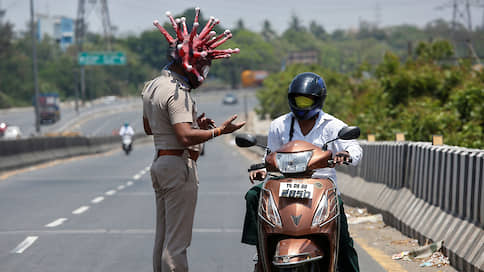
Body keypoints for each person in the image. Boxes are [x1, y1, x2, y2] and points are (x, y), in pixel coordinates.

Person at [142, 8, 245, 272]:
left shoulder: (152, 86)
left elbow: (149, 127)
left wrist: (191, 126)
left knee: (162, 238)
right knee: (177, 244)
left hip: (159, 163)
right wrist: (219, 131)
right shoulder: (178, 92)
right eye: (201, 64)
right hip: (177, 167)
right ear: (189, 63)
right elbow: (185, 136)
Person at [242, 72, 362, 272]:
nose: (301, 105)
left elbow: (355, 149)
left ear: (318, 100)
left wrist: (345, 154)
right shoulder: (279, 125)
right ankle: (262, 250)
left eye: (306, 101)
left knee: (343, 239)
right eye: (298, 100)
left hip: (321, 185)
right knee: (254, 195)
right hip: (283, 185)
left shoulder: (333, 126)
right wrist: (263, 169)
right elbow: (269, 156)